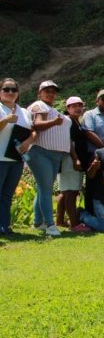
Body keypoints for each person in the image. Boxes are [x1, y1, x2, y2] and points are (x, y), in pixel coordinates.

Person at [27, 80, 71, 236]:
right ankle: (50, 225)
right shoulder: (40, 106)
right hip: (40, 151)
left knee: (42, 188)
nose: (51, 93)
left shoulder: (50, 108)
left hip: (53, 154)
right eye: (47, 91)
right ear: (40, 93)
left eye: (53, 91)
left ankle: (38, 223)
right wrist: (54, 122)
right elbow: (37, 124)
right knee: (46, 188)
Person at [0, 78, 34, 235]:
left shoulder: (24, 112)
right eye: (6, 89)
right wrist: (6, 120)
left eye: (14, 89)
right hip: (0, 158)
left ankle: (5, 227)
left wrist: (28, 141)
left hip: (17, 159)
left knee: (7, 194)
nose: (10, 92)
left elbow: (33, 131)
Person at [56, 96, 88, 232]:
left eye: (80, 106)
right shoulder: (68, 121)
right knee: (71, 192)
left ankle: (60, 221)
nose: (78, 108)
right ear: (67, 108)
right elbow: (69, 142)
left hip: (71, 159)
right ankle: (74, 224)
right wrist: (75, 158)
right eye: (74, 106)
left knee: (65, 192)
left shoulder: (76, 122)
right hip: (70, 160)